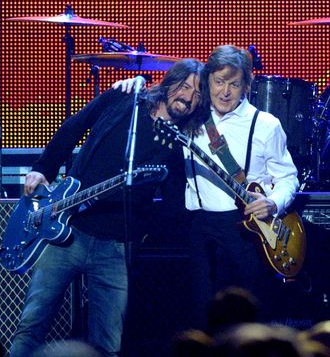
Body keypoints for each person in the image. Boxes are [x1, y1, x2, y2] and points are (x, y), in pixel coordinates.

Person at [9, 58, 204, 357]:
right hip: (69, 230)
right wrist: (43, 168)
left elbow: (173, 204)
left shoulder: (177, 144)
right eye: (185, 86)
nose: (188, 97)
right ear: (169, 82)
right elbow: (76, 125)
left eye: (198, 93)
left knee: (108, 343)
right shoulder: (125, 97)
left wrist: (143, 231)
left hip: (116, 248)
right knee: (32, 326)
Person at [183, 45, 299, 327]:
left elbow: (288, 177)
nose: (225, 92)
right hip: (198, 227)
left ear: (246, 84)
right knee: (202, 315)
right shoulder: (189, 118)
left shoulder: (266, 124)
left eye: (234, 84)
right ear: (207, 80)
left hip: (246, 231)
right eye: (219, 82)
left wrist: (273, 202)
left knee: (247, 316)